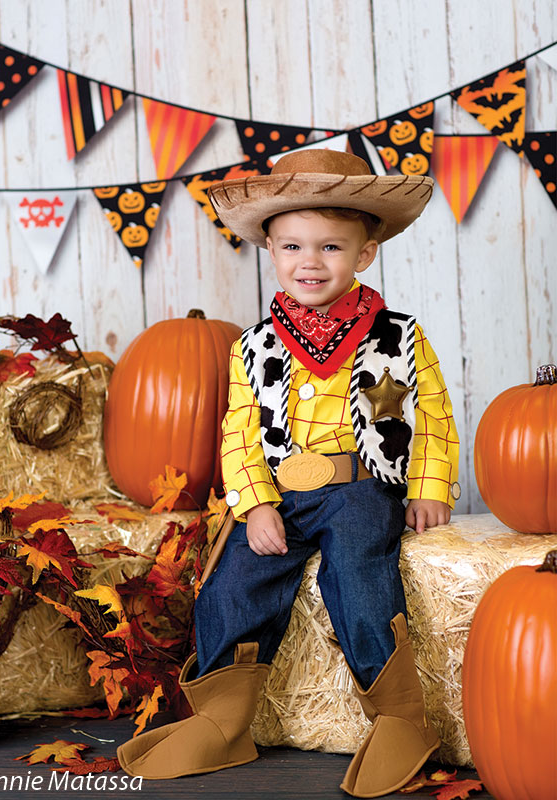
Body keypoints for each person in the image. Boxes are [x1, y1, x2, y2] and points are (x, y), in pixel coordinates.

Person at [117, 149, 460, 798]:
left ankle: (397, 715)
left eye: (331, 246)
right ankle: (224, 717)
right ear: (269, 251)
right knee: (233, 579)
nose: (311, 261)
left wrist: (429, 490)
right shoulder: (256, 346)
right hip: (284, 492)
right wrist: (254, 505)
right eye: (293, 246)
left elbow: (433, 417)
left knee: (357, 572)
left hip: (361, 486)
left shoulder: (397, 337)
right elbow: (239, 431)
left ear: (365, 254)